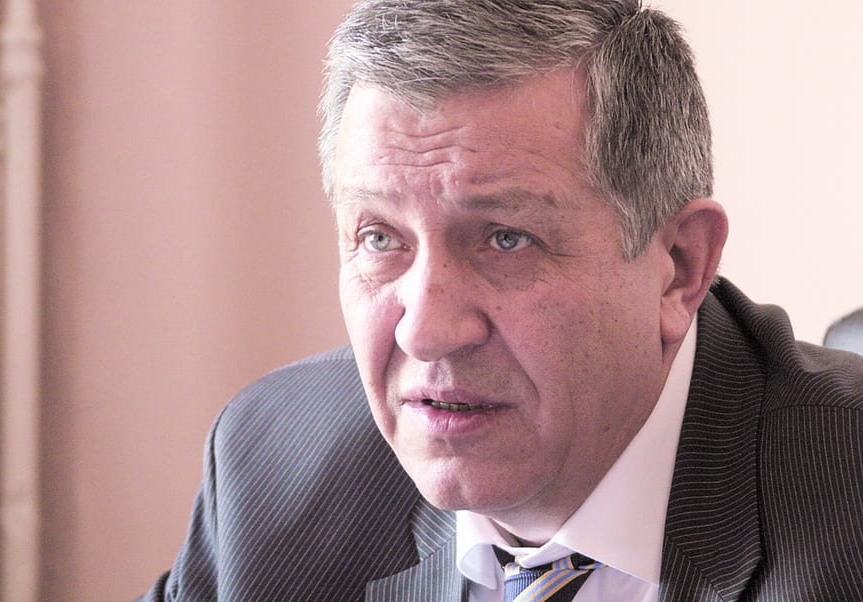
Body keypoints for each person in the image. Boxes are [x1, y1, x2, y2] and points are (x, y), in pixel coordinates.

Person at [139, 1, 863, 600]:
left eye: (505, 239)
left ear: (679, 267)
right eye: (379, 238)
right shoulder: (273, 461)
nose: (425, 331)